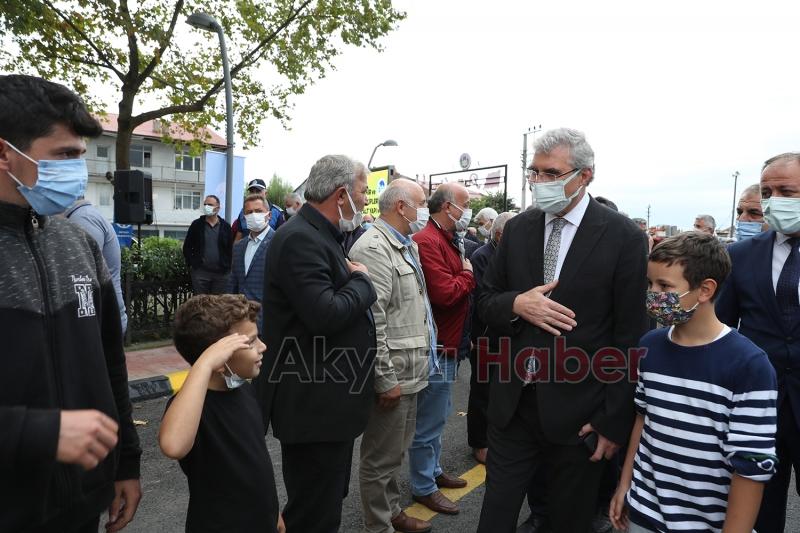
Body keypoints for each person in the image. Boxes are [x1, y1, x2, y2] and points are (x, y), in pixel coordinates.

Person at [476, 127, 649, 532]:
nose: (539, 183)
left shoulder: (623, 237)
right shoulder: (518, 229)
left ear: (585, 175)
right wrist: (517, 303)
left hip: (580, 414)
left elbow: (629, 337)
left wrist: (613, 421)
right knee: (495, 518)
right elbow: (485, 301)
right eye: (534, 173)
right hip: (514, 406)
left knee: (567, 521)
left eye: (551, 173)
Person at [0, 74, 141, 533]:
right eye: (63, 155)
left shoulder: (77, 243)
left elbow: (109, 363)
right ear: (5, 154)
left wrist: (126, 463)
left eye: (81, 156)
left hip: (82, 506)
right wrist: (37, 434)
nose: (78, 170)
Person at [610, 232, 778, 532]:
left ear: (705, 290)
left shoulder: (749, 364)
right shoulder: (650, 345)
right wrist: (625, 485)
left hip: (706, 522)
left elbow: (751, 466)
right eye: (649, 284)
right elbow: (642, 419)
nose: (653, 294)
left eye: (664, 286)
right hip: (644, 511)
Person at [258, 154, 377, 533]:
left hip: (328, 405)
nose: (364, 200)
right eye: (362, 191)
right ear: (342, 194)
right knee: (313, 513)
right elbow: (324, 314)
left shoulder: (321, 233)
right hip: (313, 406)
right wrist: (363, 281)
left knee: (325, 503)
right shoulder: (300, 239)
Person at [716, 152, 800, 533]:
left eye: (786, 190)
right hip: (759, 407)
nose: (774, 200)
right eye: (768, 191)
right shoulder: (740, 256)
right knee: (761, 504)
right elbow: (719, 328)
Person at [350, 178, 435, 533]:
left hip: (412, 369)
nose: (425, 209)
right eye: (422, 202)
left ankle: (393, 511)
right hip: (394, 374)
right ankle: (378, 524)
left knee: (396, 452)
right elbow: (374, 322)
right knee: (381, 457)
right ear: (402, 207)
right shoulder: (373, 247)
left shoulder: (405, 244)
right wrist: (385, 380)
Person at [159, 294, 283, 533]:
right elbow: (173, 445)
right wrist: (205, 364)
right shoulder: (192, 407)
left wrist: (272, 510)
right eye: (251, 342)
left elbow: (256, 464)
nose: (263, 347)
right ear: (218, 356)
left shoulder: (245, 391)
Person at [409, 182, 476, 515]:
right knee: (428, 423)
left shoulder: (445, 238)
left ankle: (432, 472)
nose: (469, 210)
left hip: (449, 344)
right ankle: (423, 485)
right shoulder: (427, 241)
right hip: (436, 347)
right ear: (449, 207)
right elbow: (446, 293)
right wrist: (468, 275)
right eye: (466, 204)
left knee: (439, 415)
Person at [469, 211, 515, 465]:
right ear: (499, 235)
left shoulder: (512, 254)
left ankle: (498, 437)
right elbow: (482, 301)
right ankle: (480, 442)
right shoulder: (482, 257)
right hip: (486, 335)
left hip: (509, 334)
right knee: (482, 392)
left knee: (504, 389)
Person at [65, 198, 128, 332]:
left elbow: (83, 280)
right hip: (102, 318)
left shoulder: (83, 219)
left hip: (100, 322)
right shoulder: (83, 215)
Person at [228, 194, 274, 333]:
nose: (254, 215)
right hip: (242, 321)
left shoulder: (279, 243)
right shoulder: (239, 247)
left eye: (258, 211)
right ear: (244, 217)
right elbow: (233, 283)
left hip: (268, 322)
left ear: (269, 215)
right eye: (249, 212)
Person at [183, 194, 233, 294]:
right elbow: (187, 247)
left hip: (221, 274)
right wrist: (192, 265)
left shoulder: (226, 227)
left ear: (217, 208)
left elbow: (230, 249)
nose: (206, 207)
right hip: (200, 273)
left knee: (217, 305)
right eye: (205, 204)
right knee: (201, 305)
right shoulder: (196, 225)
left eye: (210, 204)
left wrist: (228, 267)